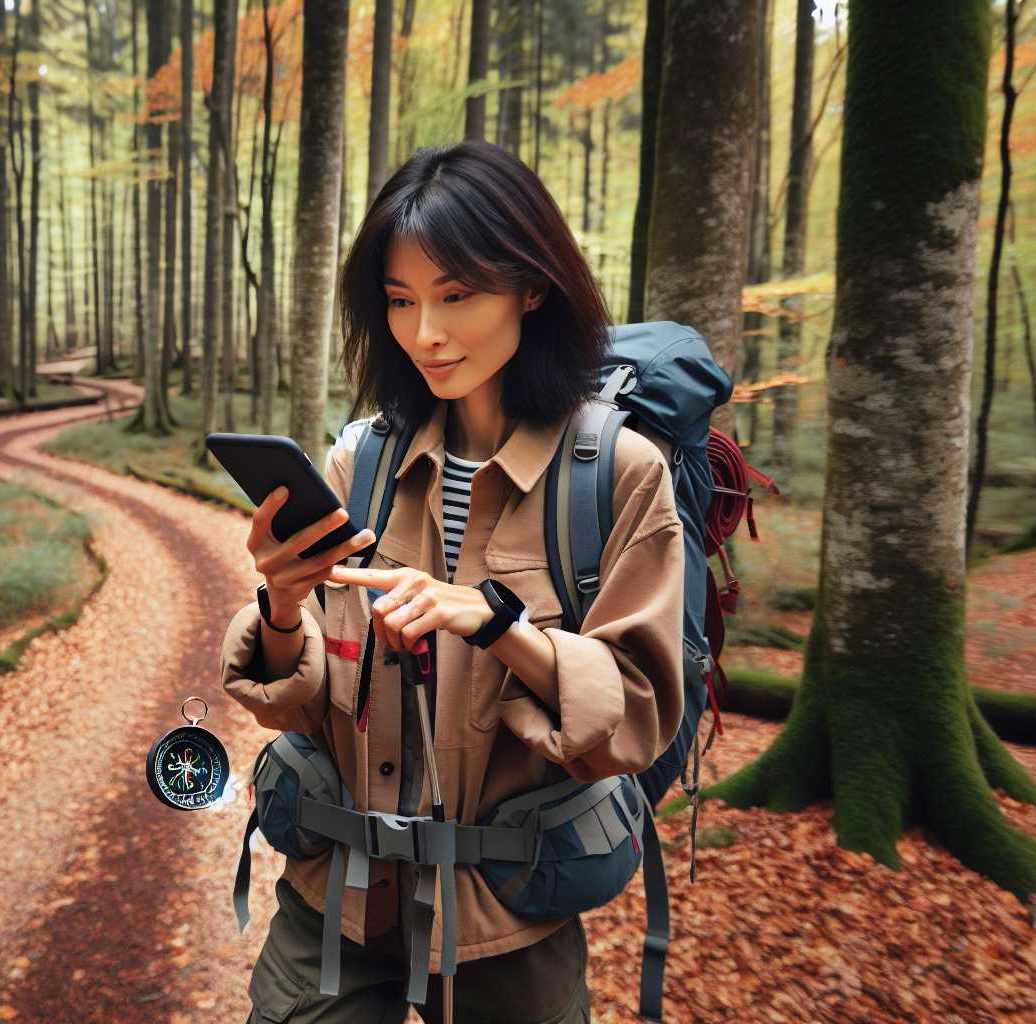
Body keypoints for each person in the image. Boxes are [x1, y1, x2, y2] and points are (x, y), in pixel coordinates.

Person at [218, 139, 687, 1024]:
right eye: (400, 301)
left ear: (533, 287)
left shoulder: (616, 475)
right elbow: (300, 702)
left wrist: (494, 624)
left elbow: (634, 717)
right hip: (337, 903)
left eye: (457, 295)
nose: (424, 333)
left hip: (506, 917)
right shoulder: (361, 461)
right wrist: (281, 607)